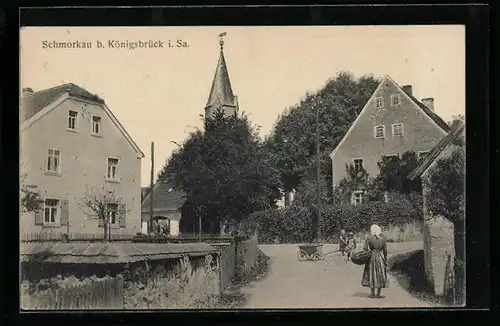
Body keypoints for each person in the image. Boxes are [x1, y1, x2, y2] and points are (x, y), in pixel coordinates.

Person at [361, 224, 388, 298]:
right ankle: (378, 294)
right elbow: (385, 250)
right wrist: (385, 259)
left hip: (372, 257)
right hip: (380, 256)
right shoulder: (383, 238)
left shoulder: (369, 238)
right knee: (380, 273)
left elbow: (365, 248)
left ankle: (372, 293)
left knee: (371, 273)